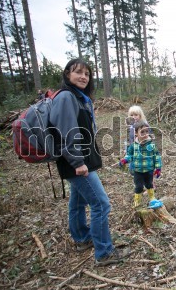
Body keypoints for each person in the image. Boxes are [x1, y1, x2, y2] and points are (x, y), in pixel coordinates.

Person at [49, 58, 130, 266]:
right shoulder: (66, 97)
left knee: (78, 202)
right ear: (68, 74)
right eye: (78, 72)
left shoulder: (78, 97)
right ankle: (104, 252)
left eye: (87, 73)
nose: (83, 77)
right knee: (101, 204)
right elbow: (66, 132)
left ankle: (82, 239)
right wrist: (78, 163)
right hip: (75, 163)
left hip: (79, 161)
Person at [119, 120, 162, 208]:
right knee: (138, 187)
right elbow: (129, 155)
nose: (145, 134)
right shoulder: (133, 146)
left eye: (147, 131)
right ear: (136, 133)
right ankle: (137, 202)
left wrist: (158, 168)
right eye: (142, 132)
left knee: (149, 184)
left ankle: (152, 198)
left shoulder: (151, 145)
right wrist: (125, 160)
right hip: (138, 170)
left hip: (149, 169)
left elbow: (156, 156)